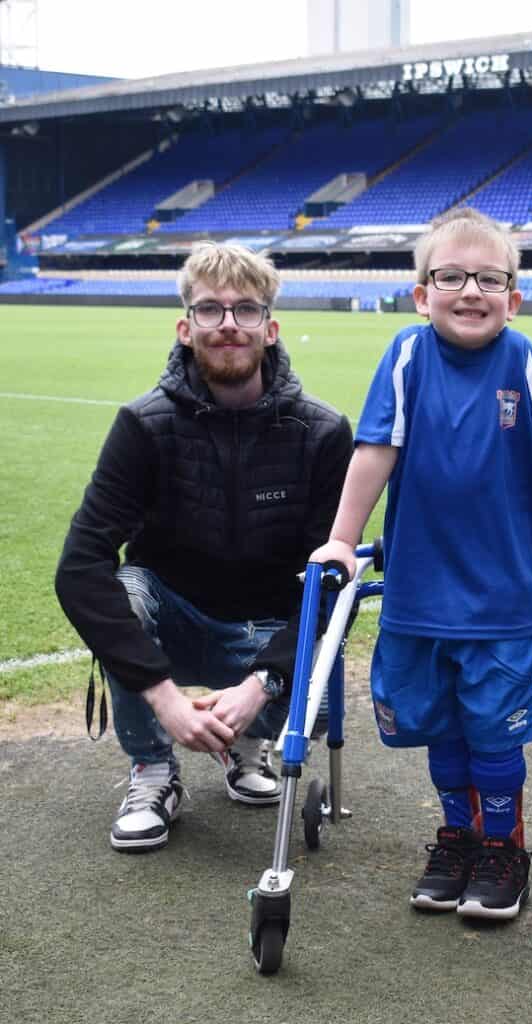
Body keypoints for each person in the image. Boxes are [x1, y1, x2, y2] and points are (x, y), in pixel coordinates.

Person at [306, 207, 532, 920]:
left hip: (501, 603)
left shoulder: (520, 359)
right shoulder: (404, 354)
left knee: (493, 734)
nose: (470, 291)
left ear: (512, 298)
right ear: (421, 293)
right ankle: (457, 834)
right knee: (444, 734)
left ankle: (502, 847)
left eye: (489, 278)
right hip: (418, 599)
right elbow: (374, 450)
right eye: (449, 276)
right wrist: (340, 538)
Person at [54, 241, 353, 853]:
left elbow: (334, 578)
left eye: (245, 311)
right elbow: (80, 566)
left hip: (263, 633)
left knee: (320, 655)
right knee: (126, 591)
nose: (228, 326)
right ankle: (154, 769)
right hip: (177, 618)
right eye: (210, 310)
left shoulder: (322, 433)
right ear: (185, 327)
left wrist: (262, 684)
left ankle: (248, 745)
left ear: (270, 329)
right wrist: (166, 701)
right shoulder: (143, 425)